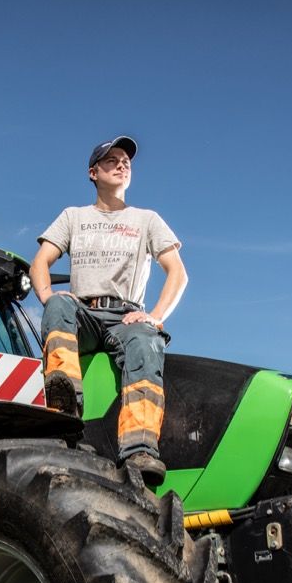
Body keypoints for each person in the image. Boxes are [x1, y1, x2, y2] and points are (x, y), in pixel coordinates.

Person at [29, 135, 188, 486]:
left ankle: (139, 450)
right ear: (93, 172)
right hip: (82, 312)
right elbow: (40, 262)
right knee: (58, 303)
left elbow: (177, 272)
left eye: (126, 161)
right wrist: (48, 296)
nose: (122, 164)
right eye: (112, 160)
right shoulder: (73, 217)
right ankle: (63, 412)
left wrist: (155, 316)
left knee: (148, 341)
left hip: (127, 316)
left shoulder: (147, 220)